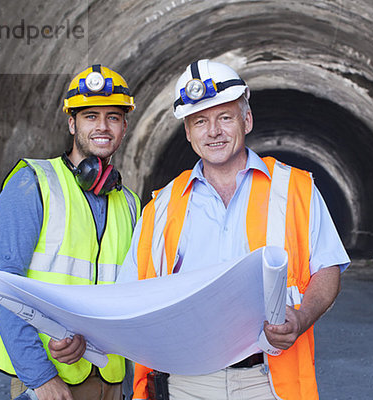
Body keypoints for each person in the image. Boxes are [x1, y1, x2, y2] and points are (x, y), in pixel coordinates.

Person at [120, 59, 351, 400]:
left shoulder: (295, 189)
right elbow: (129, 296)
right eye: (200, 121)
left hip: (268, 380)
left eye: (224, 117)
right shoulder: (162, 206)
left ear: (247, 120)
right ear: (188, 132)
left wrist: (301, 318)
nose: (213, 132)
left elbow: (327, 269)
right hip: (186, 382)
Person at [0, 64, 141, 400]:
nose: (102, 126)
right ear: (72, 123)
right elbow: (1, 286)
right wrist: (40, 378)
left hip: (111, 379)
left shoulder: (129, 203)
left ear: (124, 126)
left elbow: (131, 295)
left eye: (113, 117)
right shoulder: (33, 184)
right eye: (90, 116)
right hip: (51, 379)